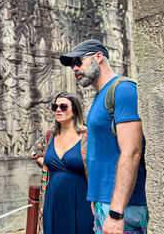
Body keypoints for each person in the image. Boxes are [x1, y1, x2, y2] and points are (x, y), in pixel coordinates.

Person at [59, 39, 148, 234]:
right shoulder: (101, 95)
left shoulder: (123, 90)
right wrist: (95, 197)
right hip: (103, 202)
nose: (74, 68)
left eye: (78, 61)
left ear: (98, 57)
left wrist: (116, 212)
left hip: (123, 207)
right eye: (72, 64)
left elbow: (132, 151)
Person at [31, 93, 93, 234]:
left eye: (63, 107)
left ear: (75, 111)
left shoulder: (87, 136)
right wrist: (47, 164)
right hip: (53, 200)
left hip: (80, 200)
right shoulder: (50, 136)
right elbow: (34, 152)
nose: (58, 110)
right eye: (55, 106)